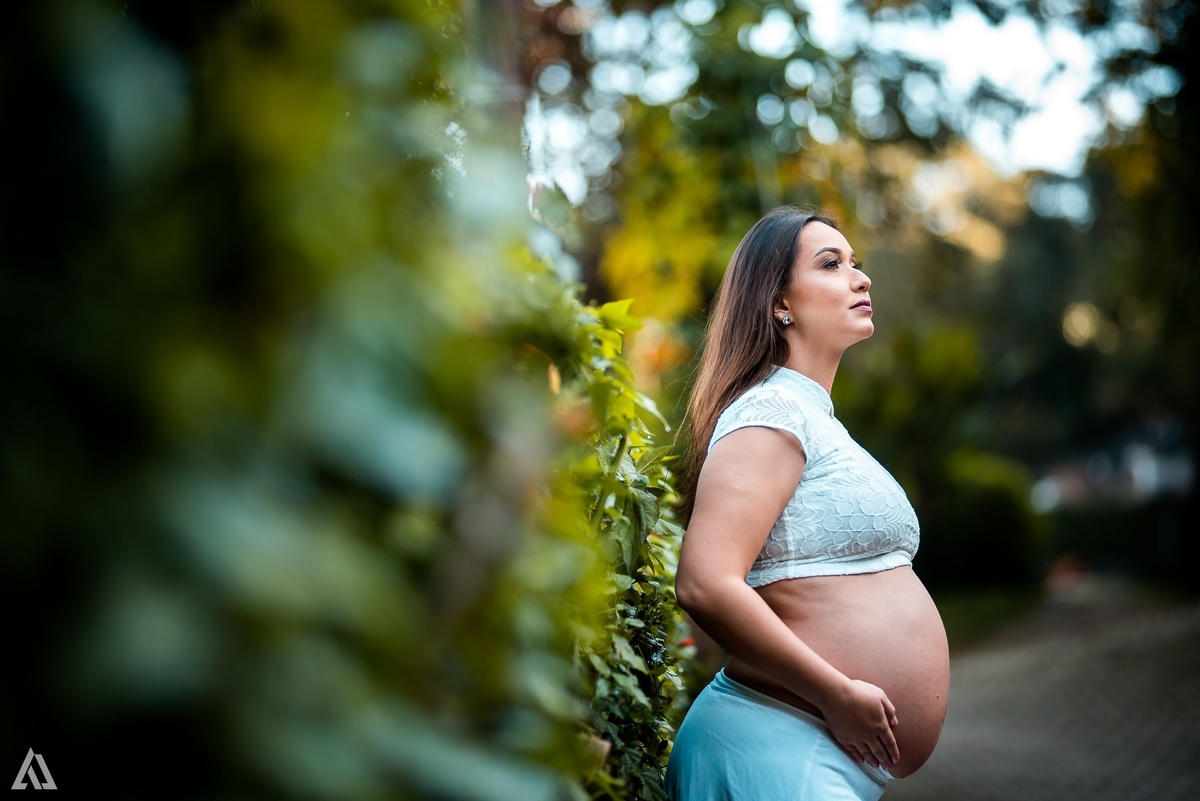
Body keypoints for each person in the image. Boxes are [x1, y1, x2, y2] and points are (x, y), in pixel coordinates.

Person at [666, 207, 949, 800]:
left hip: (807, 752)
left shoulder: (810, 418)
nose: (860, 278)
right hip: (779, 744)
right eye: (831, 264)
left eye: (857, 263)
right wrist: (835, 694)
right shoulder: (771, 412)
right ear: (779, 303)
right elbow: (705, 584)